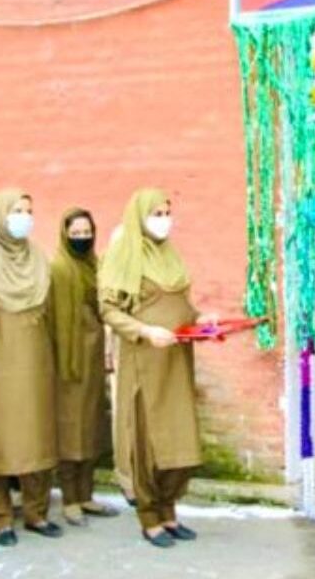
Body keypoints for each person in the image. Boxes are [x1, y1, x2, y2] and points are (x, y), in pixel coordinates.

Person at [98, 188, 217, 548]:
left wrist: (202, 320)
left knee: (180, 440)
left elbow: (182, 306)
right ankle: (148, 515)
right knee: (148, 441)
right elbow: (109, 309)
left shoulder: (170, 255)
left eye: (168, 212)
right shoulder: (125, 255)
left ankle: (169, 509)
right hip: (144, 362)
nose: (165, 220)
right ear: (138, 216)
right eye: (157, 213)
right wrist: (145, 331)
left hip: (176, 361)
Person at [0, 188, 61, 545]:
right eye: (16, 210)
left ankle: (37, 512)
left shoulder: (38, 258)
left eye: (28, 210)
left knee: (38, 436)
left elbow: (50, 312)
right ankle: (0, 516)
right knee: (1, 442)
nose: (23, 216)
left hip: (36, 361)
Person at [49, 207, 118, 526]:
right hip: (66, 358)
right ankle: (70, 499)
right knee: (69, 430)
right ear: (65, 235)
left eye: (86, 232)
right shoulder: (58, 268)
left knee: (90, 425)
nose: (82, 238)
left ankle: (87, 495)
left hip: (91, 354)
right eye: (75, 234)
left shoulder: (94, 264)